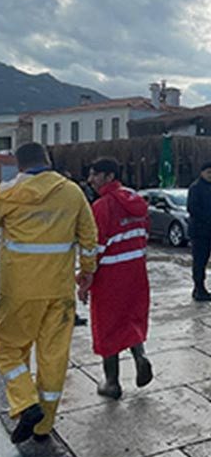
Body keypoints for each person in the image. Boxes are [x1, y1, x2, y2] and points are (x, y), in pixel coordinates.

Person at [0, 142, 98, 444]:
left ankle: (24, 402)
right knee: (53, 356)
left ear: (20, 165)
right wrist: (87, 271)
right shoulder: (72, 192)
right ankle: (44, 425)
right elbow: (89, 235)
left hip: (19, 289)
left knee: (7, 348)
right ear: (48, 160)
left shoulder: (8, 192)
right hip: (59, 291)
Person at [80, 158, 153, 399]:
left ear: (109, 176)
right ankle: (140, 357)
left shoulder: (102, 206)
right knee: (132, 318)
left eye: (95, 175)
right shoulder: (137, 201)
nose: (91, 180)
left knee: (107, 326)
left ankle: (111, 383)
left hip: (109, 276)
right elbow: (145, 234)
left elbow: (95, 248)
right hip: (136, 271)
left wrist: (85, 278)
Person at [189, 162, 211, 301]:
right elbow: (192, 209)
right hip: (200, 231)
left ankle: (199, 288)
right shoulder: (196, 188)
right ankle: (199, 288)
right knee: (200, 261)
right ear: (202, 173)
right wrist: (208, 218)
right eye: (209, 172)